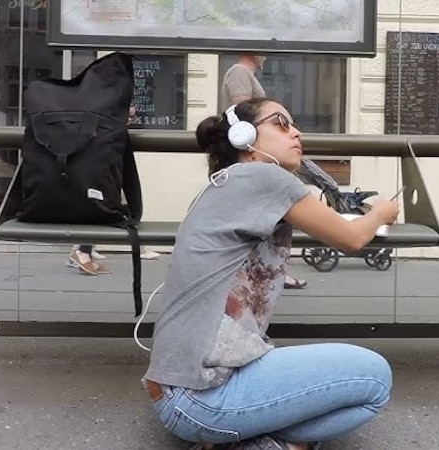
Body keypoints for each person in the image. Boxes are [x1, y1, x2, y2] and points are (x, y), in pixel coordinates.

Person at [141, 98, 399, 450]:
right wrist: (381, 212)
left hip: (175, 390)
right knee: (375, 381)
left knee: (344, 389)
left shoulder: (225, 183)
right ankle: (258, 443)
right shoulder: (265, 176)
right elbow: (351, 237)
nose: (296, 132)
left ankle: (231, 438)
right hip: (200, 397)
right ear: (244, 137)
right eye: (280, 123)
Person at [221, 54, 307, 290]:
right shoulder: (239, 73)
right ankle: (269, 272)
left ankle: (270, 271)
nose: (296, 134)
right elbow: (244, 114)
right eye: (280, 124)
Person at [66, 106, 161, 275]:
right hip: (103, 172)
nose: (130, 121)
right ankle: (82, 250)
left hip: (101, 170)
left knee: (106, 208)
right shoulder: (107, 125)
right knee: (112, 208)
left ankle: (84, 249)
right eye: (129, 117)